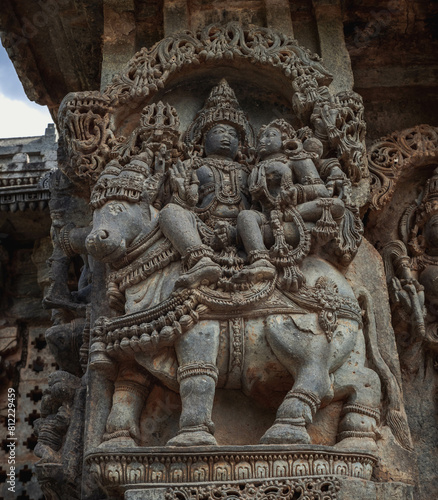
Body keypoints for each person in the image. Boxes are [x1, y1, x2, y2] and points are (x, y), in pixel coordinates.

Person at [159, 79, 253, 289]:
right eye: (219, 132)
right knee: (170, 212)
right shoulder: (192, 166)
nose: (226, 138)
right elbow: (175, 200)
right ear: (202, 139)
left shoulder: (250, 171)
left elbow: (262, 205)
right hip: (202, 230)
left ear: (242, 144)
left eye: (233, 134)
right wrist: (183, 194)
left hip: (243, 234)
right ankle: (199, 260)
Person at [234, 119, 345, 289]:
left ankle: (284, 217)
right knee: (245, 216)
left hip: (295, 213)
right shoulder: (254, 169)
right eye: (261, 139)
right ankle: (261, 261)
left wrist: (297, 192)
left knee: (336, 206)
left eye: (271, 136)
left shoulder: (295, 160)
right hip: (268, 220)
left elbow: (321, 191)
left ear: (284, 140)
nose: (264, 141)